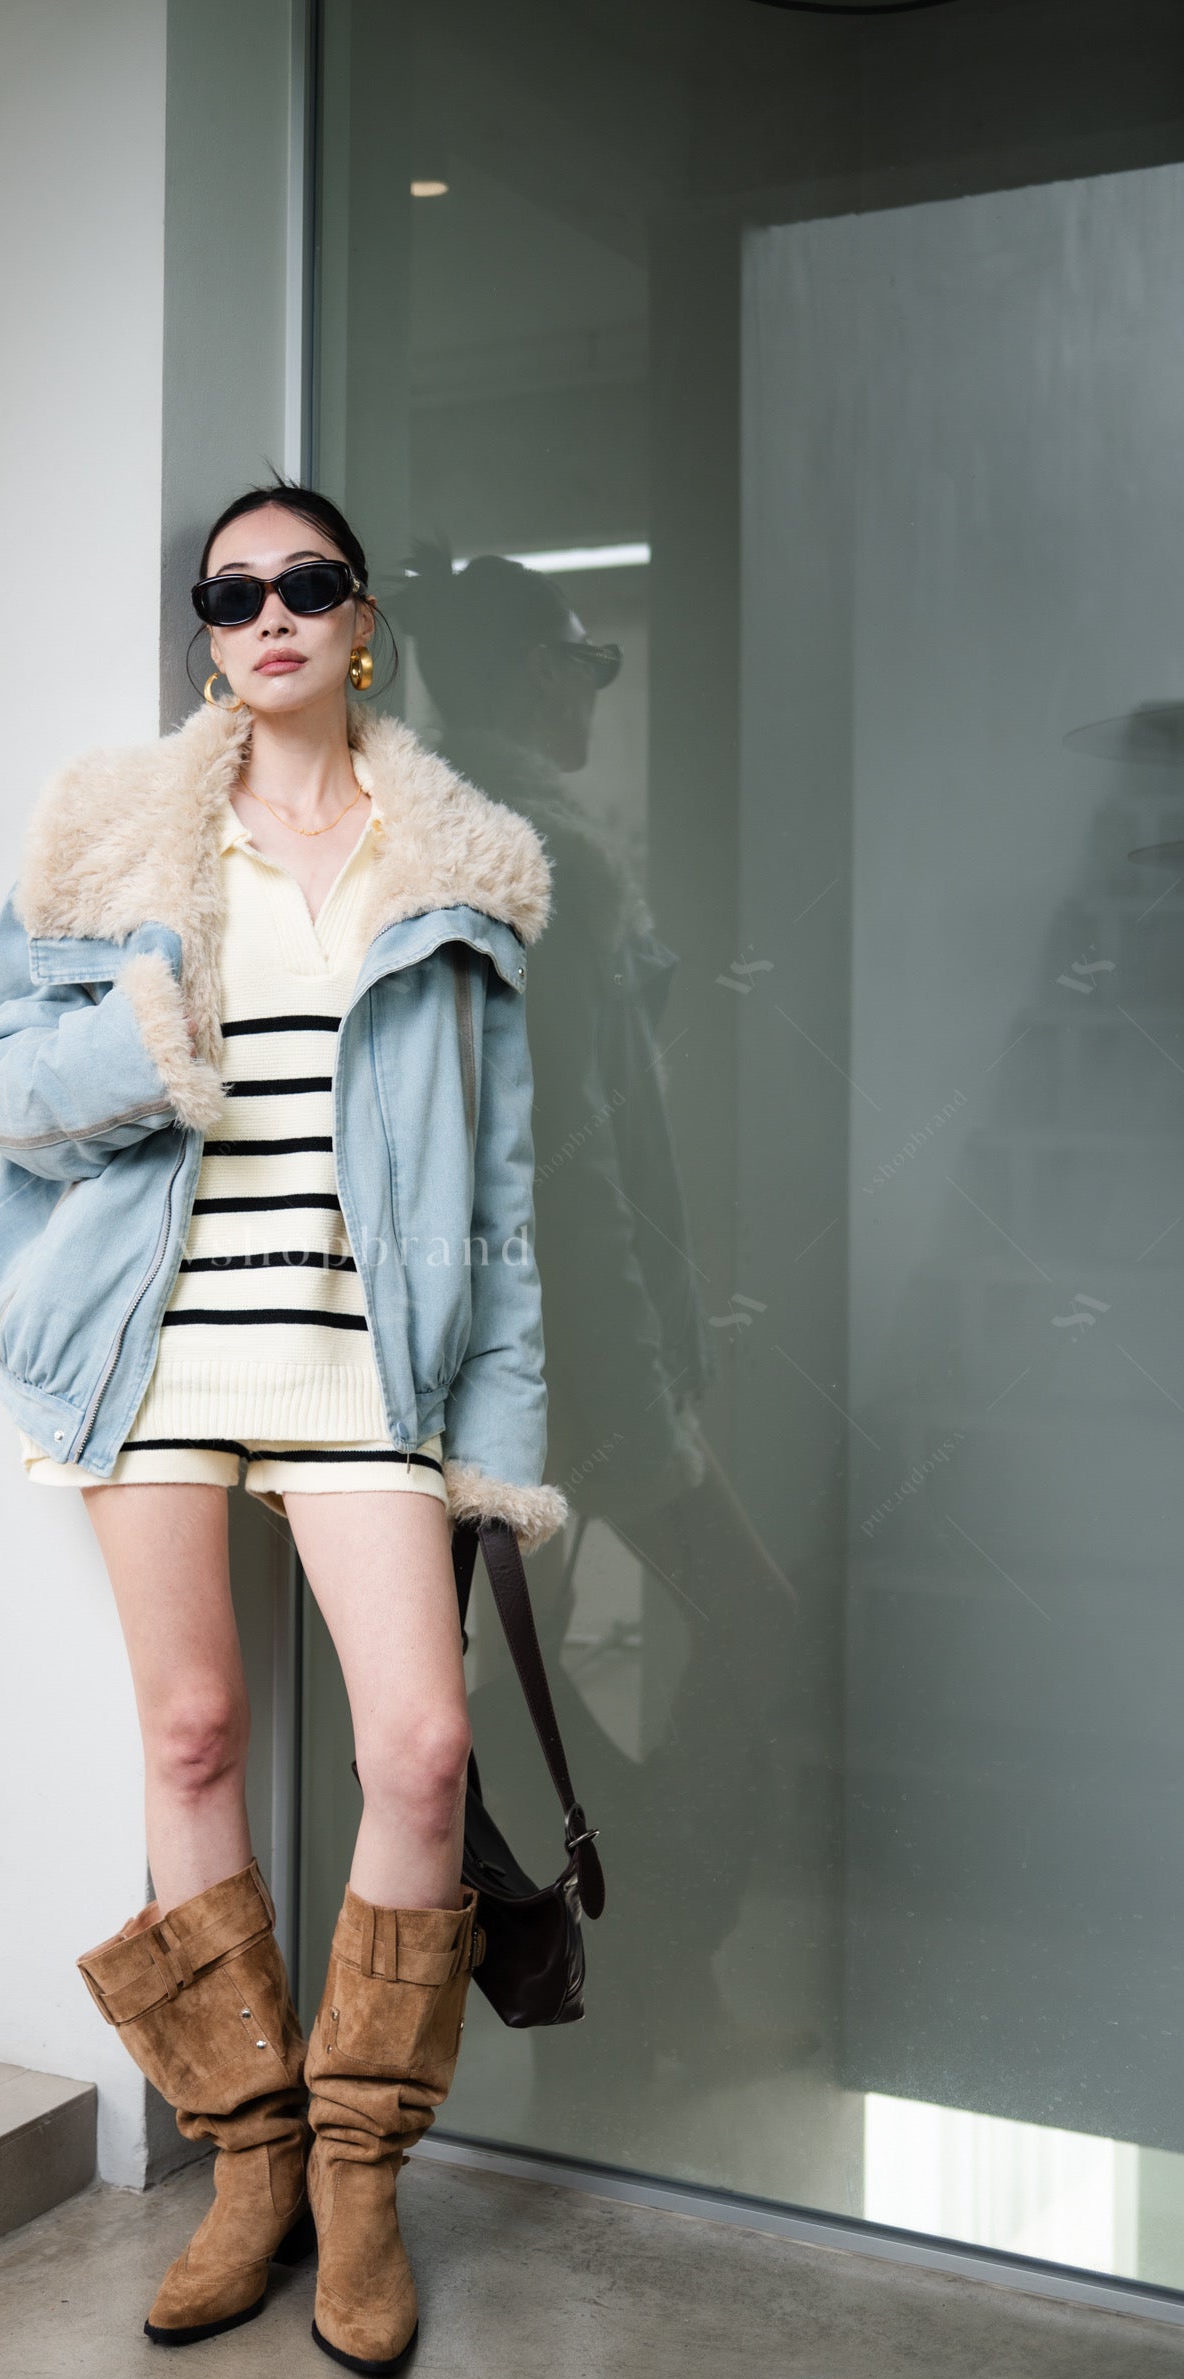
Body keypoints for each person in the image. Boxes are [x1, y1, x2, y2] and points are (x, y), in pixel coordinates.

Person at [0, 485, 566, 2376]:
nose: (270, 613)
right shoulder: (107, 842)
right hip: (152, 1346)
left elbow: (502, 1194)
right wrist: (138, 1041)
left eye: (307, 583)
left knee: (424, 1750)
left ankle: (364, 2171)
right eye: (234, 594)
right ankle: (252, 2159)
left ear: (361, 619)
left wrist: (495, 1443)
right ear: (209, 634)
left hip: (361, 1358)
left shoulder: (456, 864)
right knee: (195, 1731)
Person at [397, 547, 807, 2096]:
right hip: (573, 1365)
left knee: (522, 1684)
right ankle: (664, 1969)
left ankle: (620, 1996)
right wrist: (648, 1391)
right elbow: (579, 1168)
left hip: (493, 1357)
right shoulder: (542, 859)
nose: (592, 687)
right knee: (749, 1621)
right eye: (582, 659)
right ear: (530, 672)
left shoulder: (439, 839)